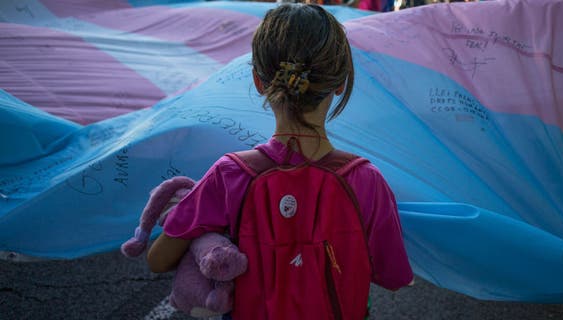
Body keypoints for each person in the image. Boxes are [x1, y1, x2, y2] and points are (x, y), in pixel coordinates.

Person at [147, 3, 413, 319]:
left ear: (260, 81)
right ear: (340, 83)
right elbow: (394, 276)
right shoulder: (366, 180)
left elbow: (158, 259)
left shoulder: (230, 174)